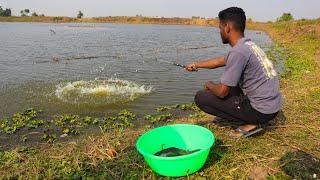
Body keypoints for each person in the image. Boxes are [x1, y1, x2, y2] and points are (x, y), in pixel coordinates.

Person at [185, 7, 282, 138]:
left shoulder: (238, 52)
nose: (219, 31)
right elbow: (220, 61)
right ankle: (247, 115)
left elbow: (221, 92)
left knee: (201, 97)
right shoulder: (248, 45)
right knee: (231, 84)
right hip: (272, 106)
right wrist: (196, 64)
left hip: (262, 111)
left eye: (220, 28)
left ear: (227, 27)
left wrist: (209, 84)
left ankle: (251, 122)